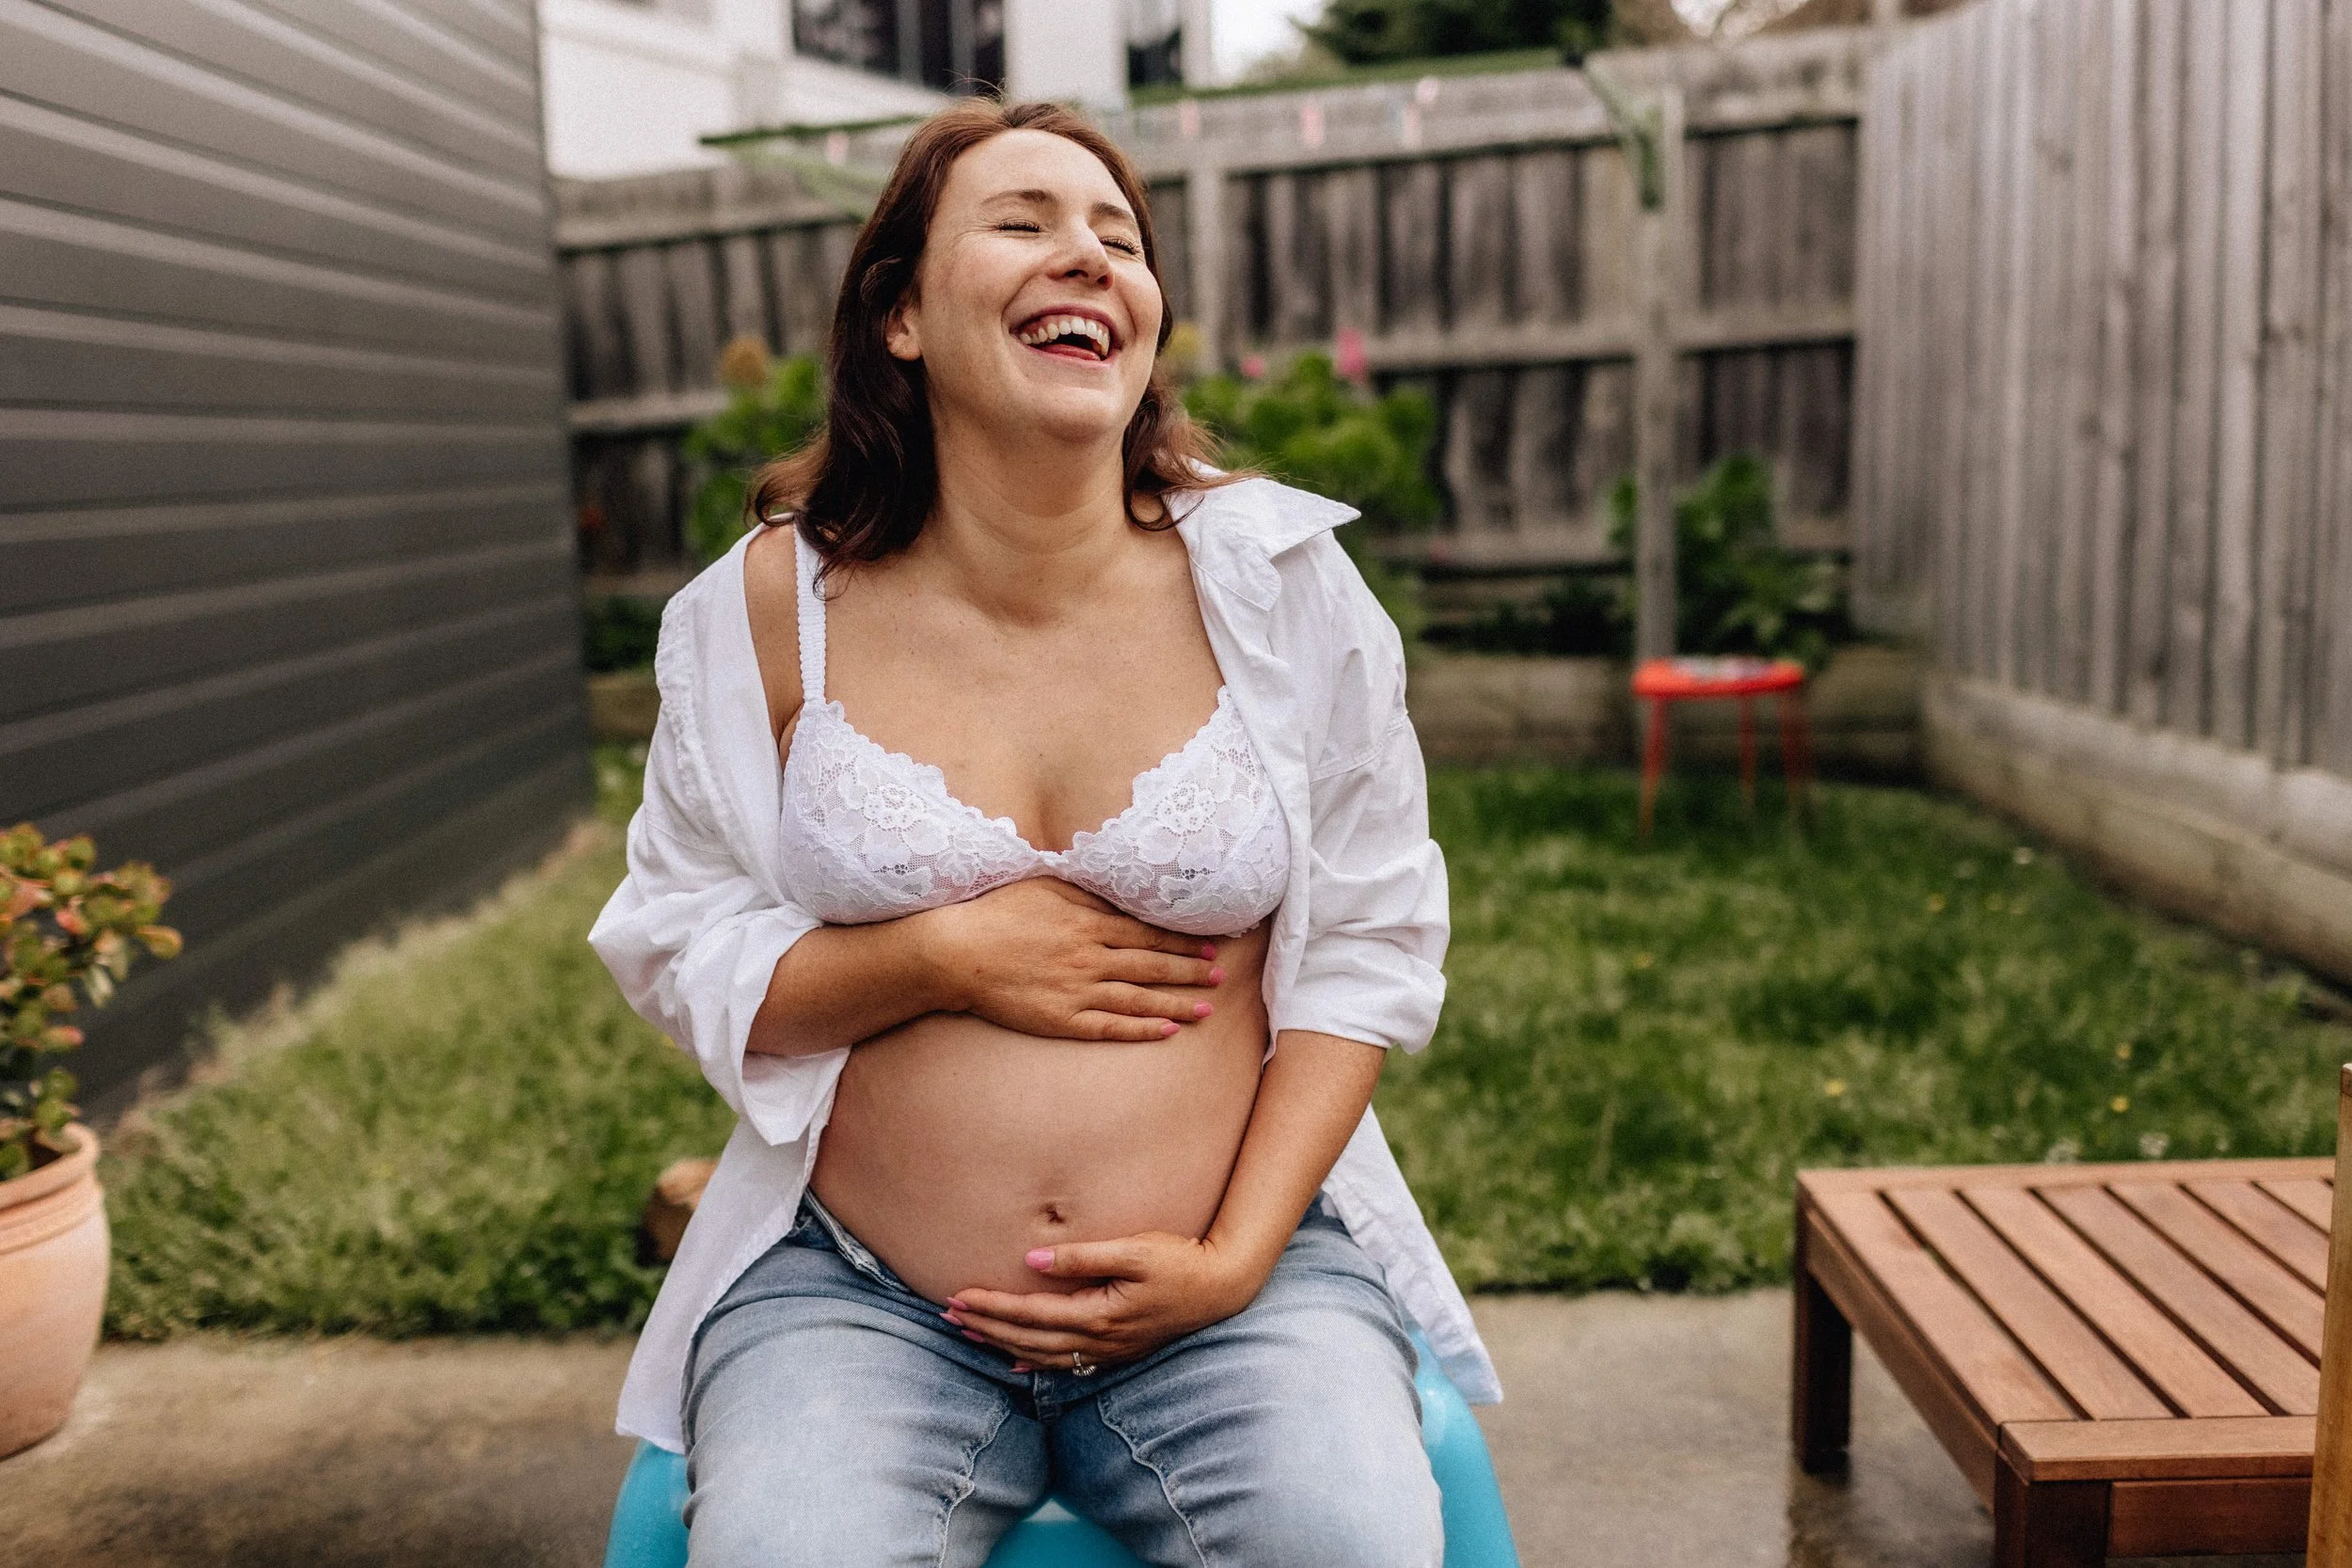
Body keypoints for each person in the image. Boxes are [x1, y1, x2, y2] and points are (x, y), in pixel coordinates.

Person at [590, 98, 1498, 1568]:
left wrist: (1232, 1259)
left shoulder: (1283, 586)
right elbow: (676, 943)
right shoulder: (762, 612)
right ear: (900, 315)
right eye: (1021, 222)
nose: (1086, 256)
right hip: (861, 1297)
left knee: (1355, 1542)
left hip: (1242, 1292)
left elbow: (1371, 945)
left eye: (1119, 239)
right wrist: (939, 955)